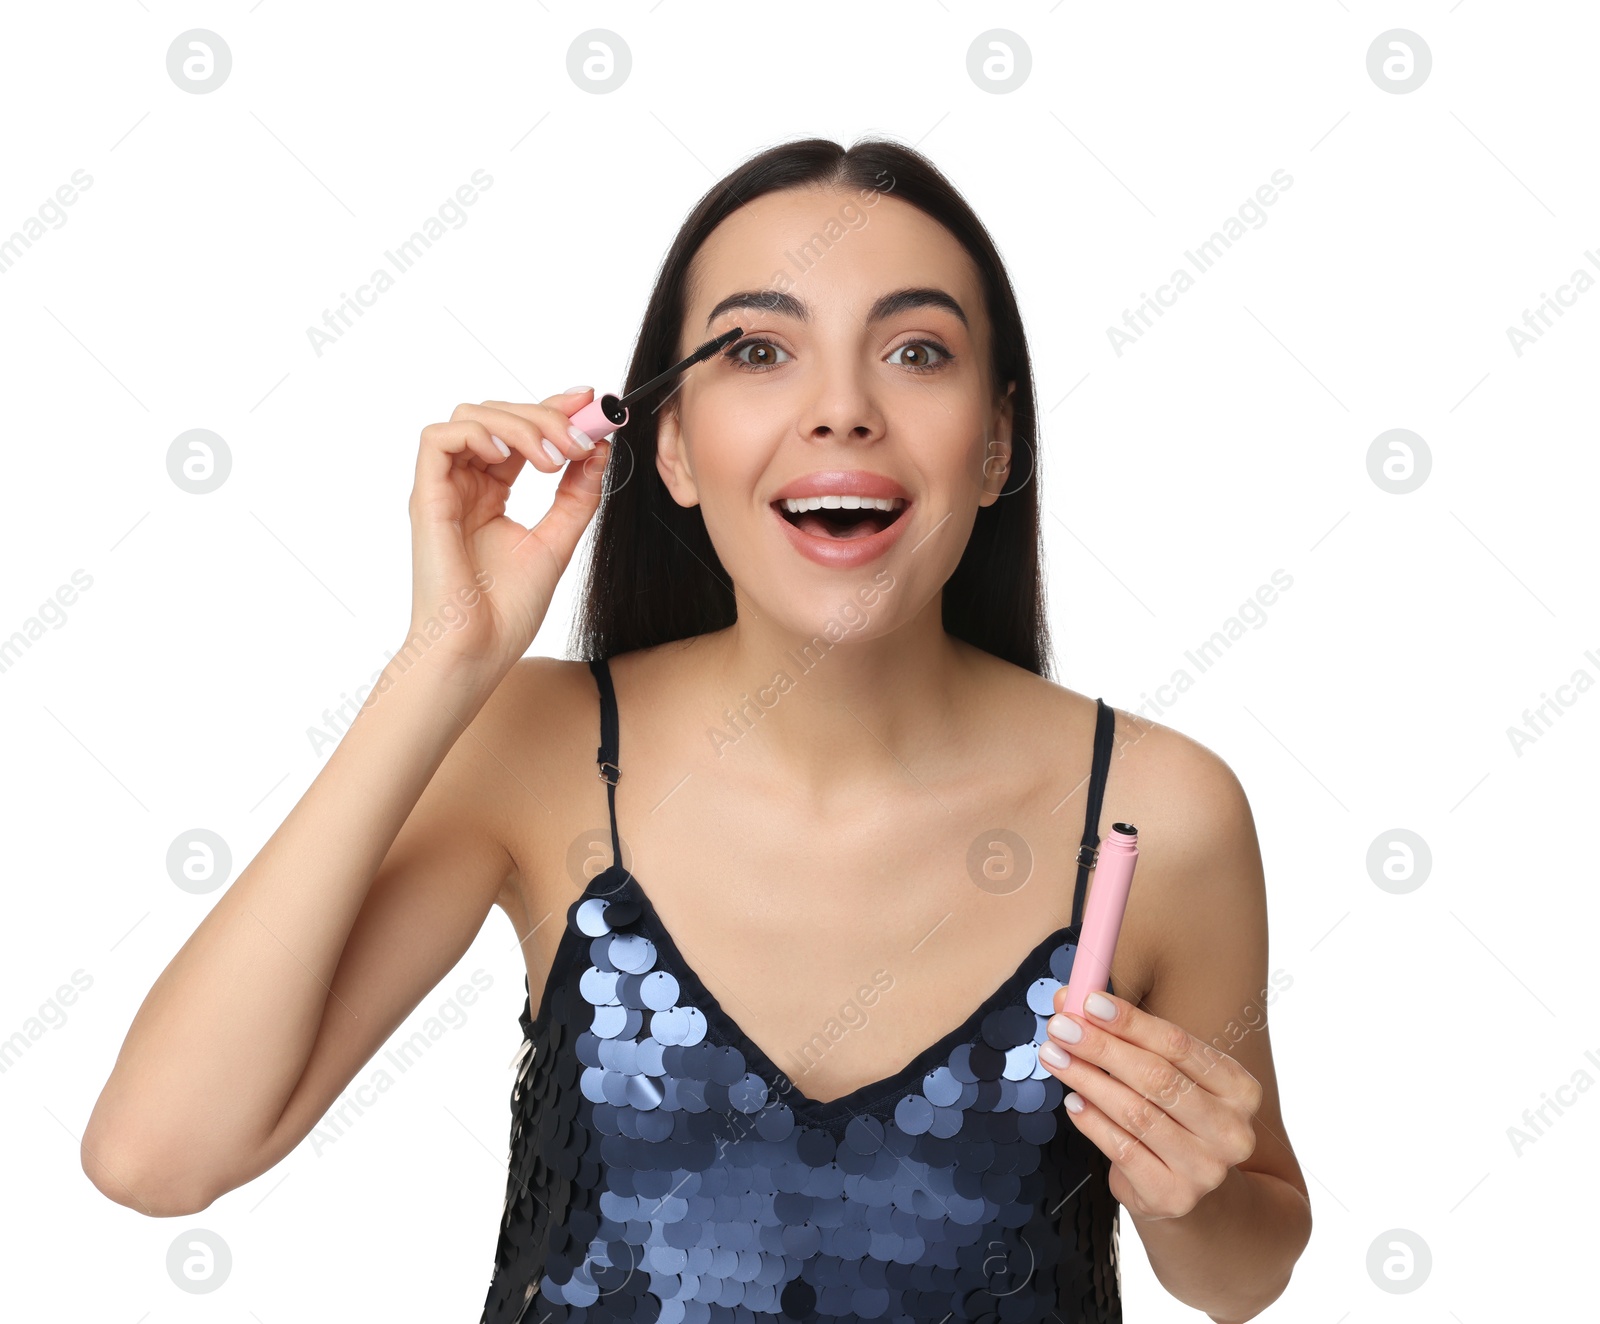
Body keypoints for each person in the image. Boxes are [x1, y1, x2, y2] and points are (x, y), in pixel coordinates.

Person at [82, 136, 1311, 1323]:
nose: (841, 407)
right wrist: (441, 662)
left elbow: (1241, 1275)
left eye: (917, 351)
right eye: (760, 349)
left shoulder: (1158, 807)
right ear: (669, 444)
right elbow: (158, 1156)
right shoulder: (542, 748)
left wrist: (1188, 1203)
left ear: (995, 444)